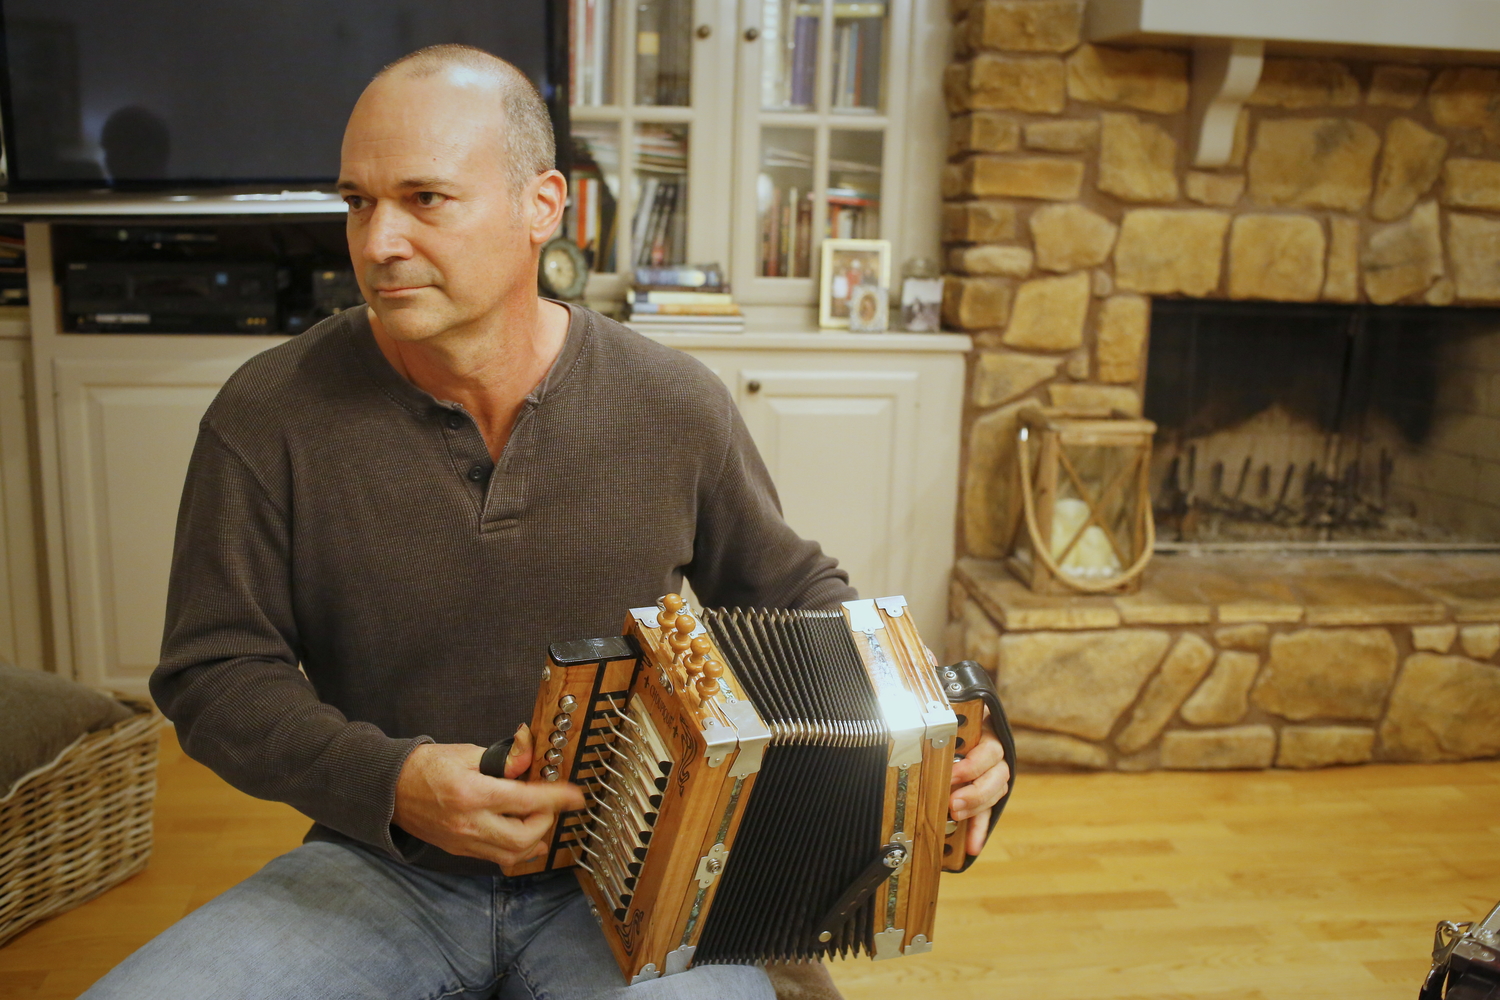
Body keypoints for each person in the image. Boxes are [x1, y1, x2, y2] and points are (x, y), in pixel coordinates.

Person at [82, 45, 1009, 1000]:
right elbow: (214, 675)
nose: (377, 241)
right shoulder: (265, 412)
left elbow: (798, 596)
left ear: (544, 207)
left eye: (424, 199)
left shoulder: (671, 401)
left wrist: (954, 729)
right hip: (380, 864)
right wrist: (397, 783)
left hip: (634, 874)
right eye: (358, 202)